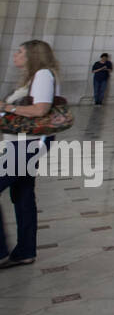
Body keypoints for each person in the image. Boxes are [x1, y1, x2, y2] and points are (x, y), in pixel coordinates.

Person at [0, 40, 62, 269]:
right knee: (23, 195)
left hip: (30, 143)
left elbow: (40, 109)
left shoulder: (44, 75)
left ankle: (1, 251)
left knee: (21, 194)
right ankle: (25, 251)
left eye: (20, 52)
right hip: (20, 143)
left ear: (32, 56)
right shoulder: (33, 77)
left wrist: (7, 107)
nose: (15, 55)